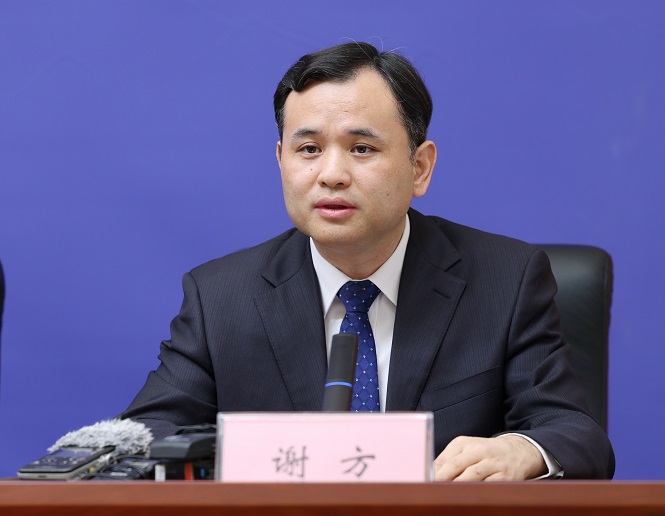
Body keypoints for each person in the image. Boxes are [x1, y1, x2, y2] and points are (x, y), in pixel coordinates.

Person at [121, 42, 615, 480]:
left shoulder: (505, 280)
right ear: (280, 161)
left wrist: (521, 449)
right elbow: (145, 436)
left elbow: (575, 433)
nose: (331, 174)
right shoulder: (220, 298)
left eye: (361, 148)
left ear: (419, 167)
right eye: (308, 149)